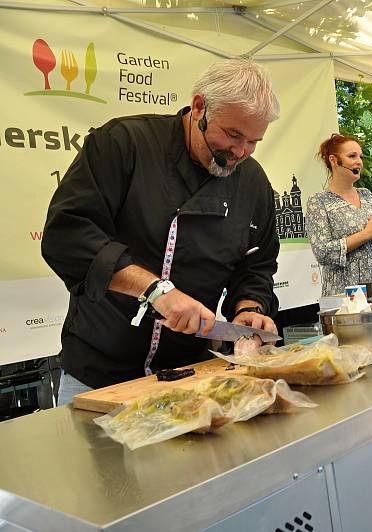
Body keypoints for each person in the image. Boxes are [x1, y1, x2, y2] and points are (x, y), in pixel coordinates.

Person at [42, 58, 281, 404]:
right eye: (232, 135)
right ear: (199, 106)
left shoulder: (253, 183)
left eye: (254, 141)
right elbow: (68, 235)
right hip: (99, 378)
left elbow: (255, 264)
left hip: (191, 376)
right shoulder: (123, 144)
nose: (240, 152)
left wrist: (250, 309)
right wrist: (156, 291)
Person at [306, 134, 372, 296]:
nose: (359, 161)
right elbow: (323, 253)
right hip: (346, 297)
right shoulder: (319, 202)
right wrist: (366, 234)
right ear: (334, 160)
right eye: (352, 156)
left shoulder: (367, 195)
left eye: (360, 156)